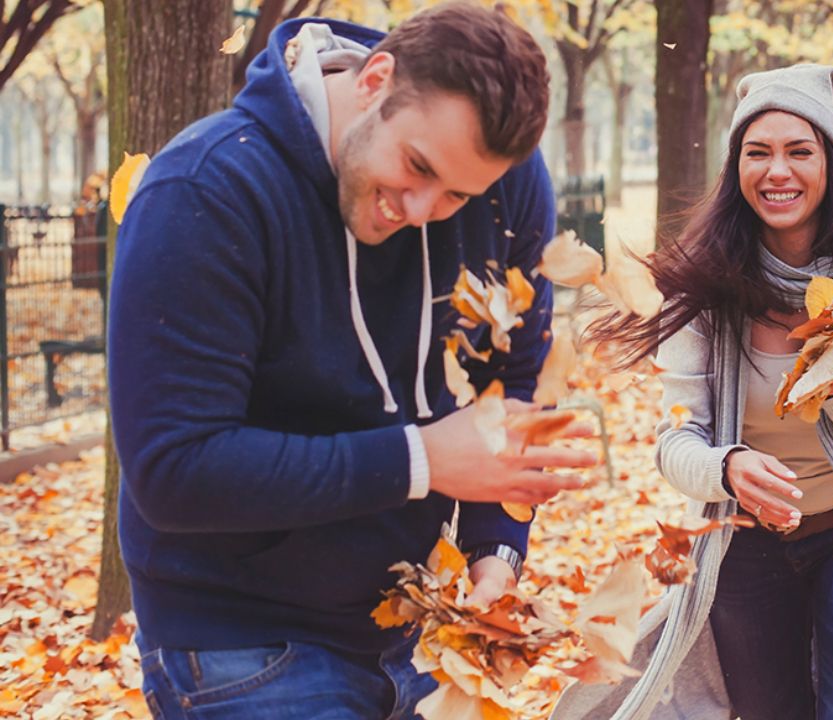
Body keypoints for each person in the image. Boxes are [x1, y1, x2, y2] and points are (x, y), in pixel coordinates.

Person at [108, 4, 595, 718]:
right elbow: (175, 471)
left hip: (414, 624)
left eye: (458, 194)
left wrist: (497, 551)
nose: (424, 208)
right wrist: (423, 461)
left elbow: (510, 381)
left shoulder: (505, 186)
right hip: (240, 644)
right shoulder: (207, 191)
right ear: (375, 79)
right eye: (417, 166)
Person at [553, 65, 833, 719]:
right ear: (735, 165)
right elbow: (674, 443)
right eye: (758, 152)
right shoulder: (702, 283)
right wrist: (728, 467)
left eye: (800, 151)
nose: (778, 172)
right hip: (745, 548)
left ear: (831, 161)